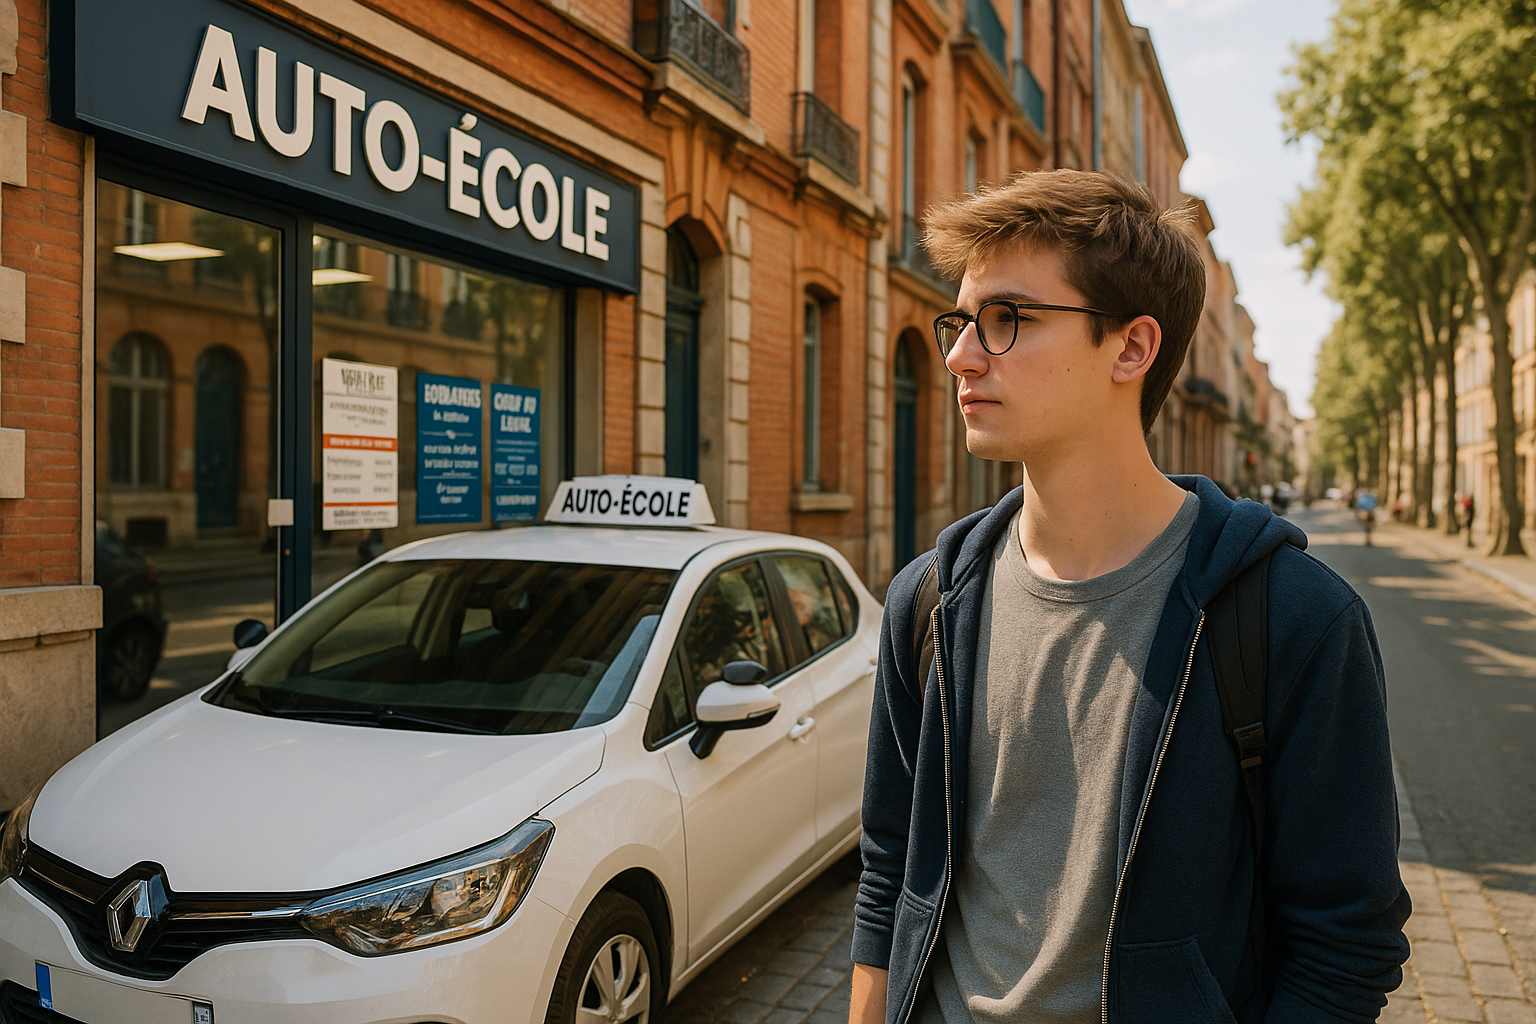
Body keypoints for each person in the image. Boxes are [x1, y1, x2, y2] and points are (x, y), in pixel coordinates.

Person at [850, 171, 1410, 1024]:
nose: (962, 354)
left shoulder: (1294, 617)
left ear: (1132, 348)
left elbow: (1343, 941)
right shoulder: (928, 602)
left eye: (1009, 320)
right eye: (961, 323)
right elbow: (891, 868)